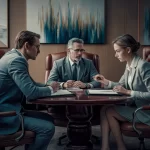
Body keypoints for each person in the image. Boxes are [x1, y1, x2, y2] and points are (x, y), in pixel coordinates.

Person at [0, 30, 60, 150]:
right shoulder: (16, 61)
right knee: (48, 128)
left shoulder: (12, 56)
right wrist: (51, 90)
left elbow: (31, 84)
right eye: (37, 47)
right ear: (27, 45)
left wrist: (54, 86)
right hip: (5, 115)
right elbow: (31, 93)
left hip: (11, 108)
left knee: (49, 118)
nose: (39, 51)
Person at [94, 34, 150, 150]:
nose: (115, 55)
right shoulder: (129, 65)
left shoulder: (143, 66)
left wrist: (129, 92)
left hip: (145, 111)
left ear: (128, 50)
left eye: (118, 51)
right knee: (105, 108)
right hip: (136, 106)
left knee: (110, 111)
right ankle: (105, 147)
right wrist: (106, 81)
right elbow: (120, 85)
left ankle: (120, 147)